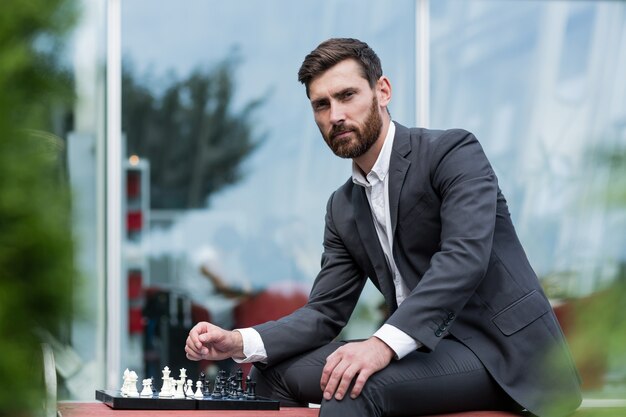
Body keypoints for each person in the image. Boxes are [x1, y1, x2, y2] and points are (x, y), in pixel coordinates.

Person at [185, 38, 582, 417]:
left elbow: (464, 259)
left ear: (383, 91)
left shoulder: (453, 152)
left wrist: (380, 345)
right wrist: (238, 341)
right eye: (321, 105)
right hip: (419, 352)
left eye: (347, 96)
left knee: (352, 386)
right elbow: (325, 312)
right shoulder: (343, 207)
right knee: (270, 376)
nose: (335, 115)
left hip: (499, 351)